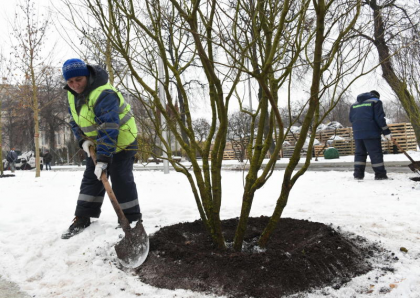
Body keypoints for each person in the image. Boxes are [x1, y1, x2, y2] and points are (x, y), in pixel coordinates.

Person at [61, 58, 141, 239]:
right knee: (91, 179)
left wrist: (104, 159)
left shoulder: (103, 93)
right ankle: (83, 217)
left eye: (78, 80)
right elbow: (74, 120)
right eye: (70, 81)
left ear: (87, 76)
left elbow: (108, 126)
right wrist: (83, 140)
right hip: (97, 144)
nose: (74, 85)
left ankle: (132, 219)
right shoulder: (71, 94)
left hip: (122, 142)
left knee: (121, 179)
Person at [349, 90, 391, 180]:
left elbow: (351, 119)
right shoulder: (376, 101)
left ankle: (358, 175)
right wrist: (386, 132)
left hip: (357, 133)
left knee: (360, 154)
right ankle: (380, 175)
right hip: (371, 133)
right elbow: (379, 118)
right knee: (375, 153)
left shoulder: (354, 105)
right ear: (376, 96)